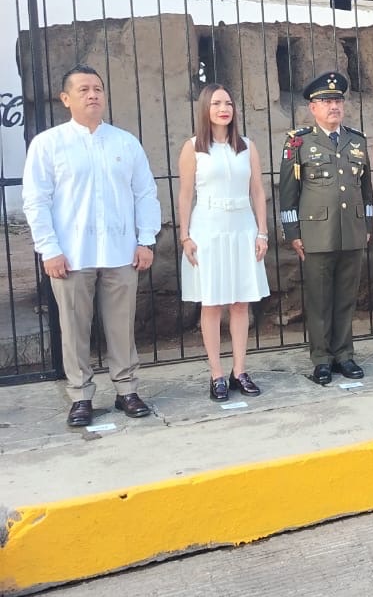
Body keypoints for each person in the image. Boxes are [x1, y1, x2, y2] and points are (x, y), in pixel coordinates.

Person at [21, 64, 161, 429]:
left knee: (121, 326)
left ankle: (126, 389)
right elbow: (35, 200)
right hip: (71, 253)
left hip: (121, 251)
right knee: (73, 328)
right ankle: (80, 396)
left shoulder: (125, 142)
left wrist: (146, 239)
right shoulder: (49, 144)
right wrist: (48, 248)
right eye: (83, 89)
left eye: (97, 88)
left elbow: (145, 193)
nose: (92, 94)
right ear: (65, 99)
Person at [278, 71, 373, 385]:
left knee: (346, 297)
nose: (334, 106)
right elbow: (288, 192)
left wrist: (367, 223)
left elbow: (366, 189)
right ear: (313, 107)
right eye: (326, 101)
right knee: (319, 299)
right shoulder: (299, 141)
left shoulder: (356, 140)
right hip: (316, 233)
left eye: (337, 100)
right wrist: (293, 233)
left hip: (352, 229)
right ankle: (321, 358)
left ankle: (344, 354)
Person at [178, 83, 270, 401]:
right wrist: (185, 235)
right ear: (206, 108)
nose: (223, 109)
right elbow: (185, 195)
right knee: (212, 302)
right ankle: (216, 374)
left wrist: (262, 232)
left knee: (241, 302)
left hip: (242, 227)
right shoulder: (193, 147)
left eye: (228, 103)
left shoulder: (247, 146)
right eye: (216, 103)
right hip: (209, 228)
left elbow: (257, 190)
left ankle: (239, 370)